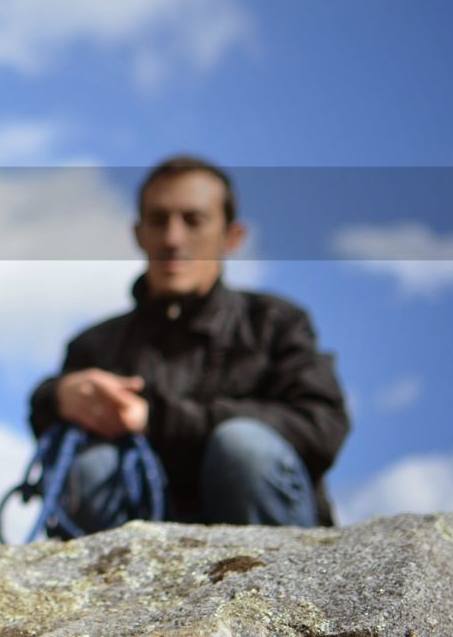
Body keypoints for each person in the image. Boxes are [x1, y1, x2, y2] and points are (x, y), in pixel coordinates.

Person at [28, 155, 350, 533]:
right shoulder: (95, 345)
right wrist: (58, 398)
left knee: (243, 447)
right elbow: (48, 430)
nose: (172, 239)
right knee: (92, 469)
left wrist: (157, 420)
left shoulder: (276, 323)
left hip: (260, 519)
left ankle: (279, 585)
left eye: (193, 221)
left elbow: (321, 426)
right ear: (138, 233)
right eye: (158, 220)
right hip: (137, 541)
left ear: (232, 237)